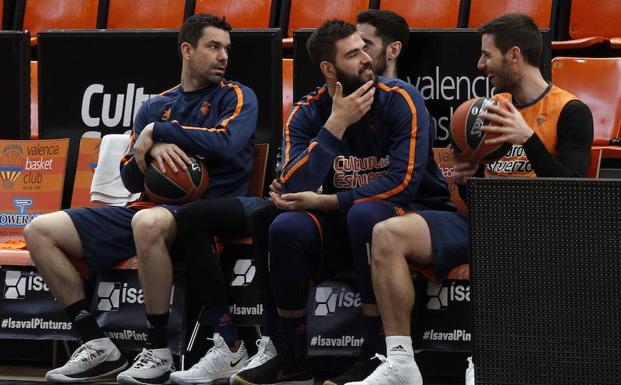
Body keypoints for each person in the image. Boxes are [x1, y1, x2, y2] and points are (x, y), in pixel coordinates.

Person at [23, 13, 259, 385]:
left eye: (227, 48)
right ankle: (96, 343)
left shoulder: (237, 96)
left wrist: (161, 133)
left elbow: (227, 144)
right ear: (187, 50)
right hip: (146, 209)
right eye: (213, 47)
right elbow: (130, 176)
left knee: (146, 222)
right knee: (39, 230)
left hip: (204, 216)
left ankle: (158, 348)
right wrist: (148, 152)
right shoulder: (154, 105)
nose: (223, 56)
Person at [360, 13, 594, 385]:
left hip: (540, 230)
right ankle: (400, 363)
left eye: (487, 55)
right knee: (387, 233)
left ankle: (492, 361)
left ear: (514, 55)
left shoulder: (571, 111)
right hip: (480, 224)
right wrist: (467, 179)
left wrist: (527, 139)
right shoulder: (484, 110)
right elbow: (472, 189)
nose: (479, 64)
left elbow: (575, 196)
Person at [231, 19, 455, 385]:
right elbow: (292, 183)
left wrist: (327, 202)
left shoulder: (401, 98)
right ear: (328, 69)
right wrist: (335, 125)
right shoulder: (307, 112)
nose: (367, 58)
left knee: (365, 214)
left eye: (365, 49)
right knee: (281, 224)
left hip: (412, 211)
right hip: (348, 219)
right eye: (354, 54)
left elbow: (402, 184)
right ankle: (292, 352)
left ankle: (375, 350)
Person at [356, 9, 409, 79]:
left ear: (393, 50)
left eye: (365, 46)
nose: (354, 53)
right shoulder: (343, 88)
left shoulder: (407, 90)